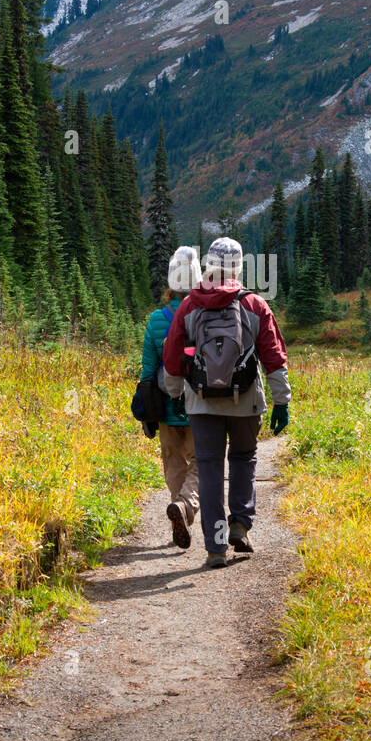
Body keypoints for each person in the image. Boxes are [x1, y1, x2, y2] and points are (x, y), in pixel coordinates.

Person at [162, 236, 290, 569]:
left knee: (209, 467)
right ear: (237, 266)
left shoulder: (190, 304)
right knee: (244, 458)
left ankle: (216, 546)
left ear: (209, 266)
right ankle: (240, 525)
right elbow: (274, 356)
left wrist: (175, 394)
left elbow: (173, 355)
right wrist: (281, 400)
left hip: (202, 403)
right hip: (245, 400)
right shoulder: (253, 304)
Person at [141, 247, 202, 549]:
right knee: (203, 461)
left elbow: (148, 370)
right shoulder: (203, 316)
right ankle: (186, 507)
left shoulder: (156, 320)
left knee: (174, 464)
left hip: (165, 408)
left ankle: (179, 510)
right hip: (200, 406)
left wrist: (148, 414)